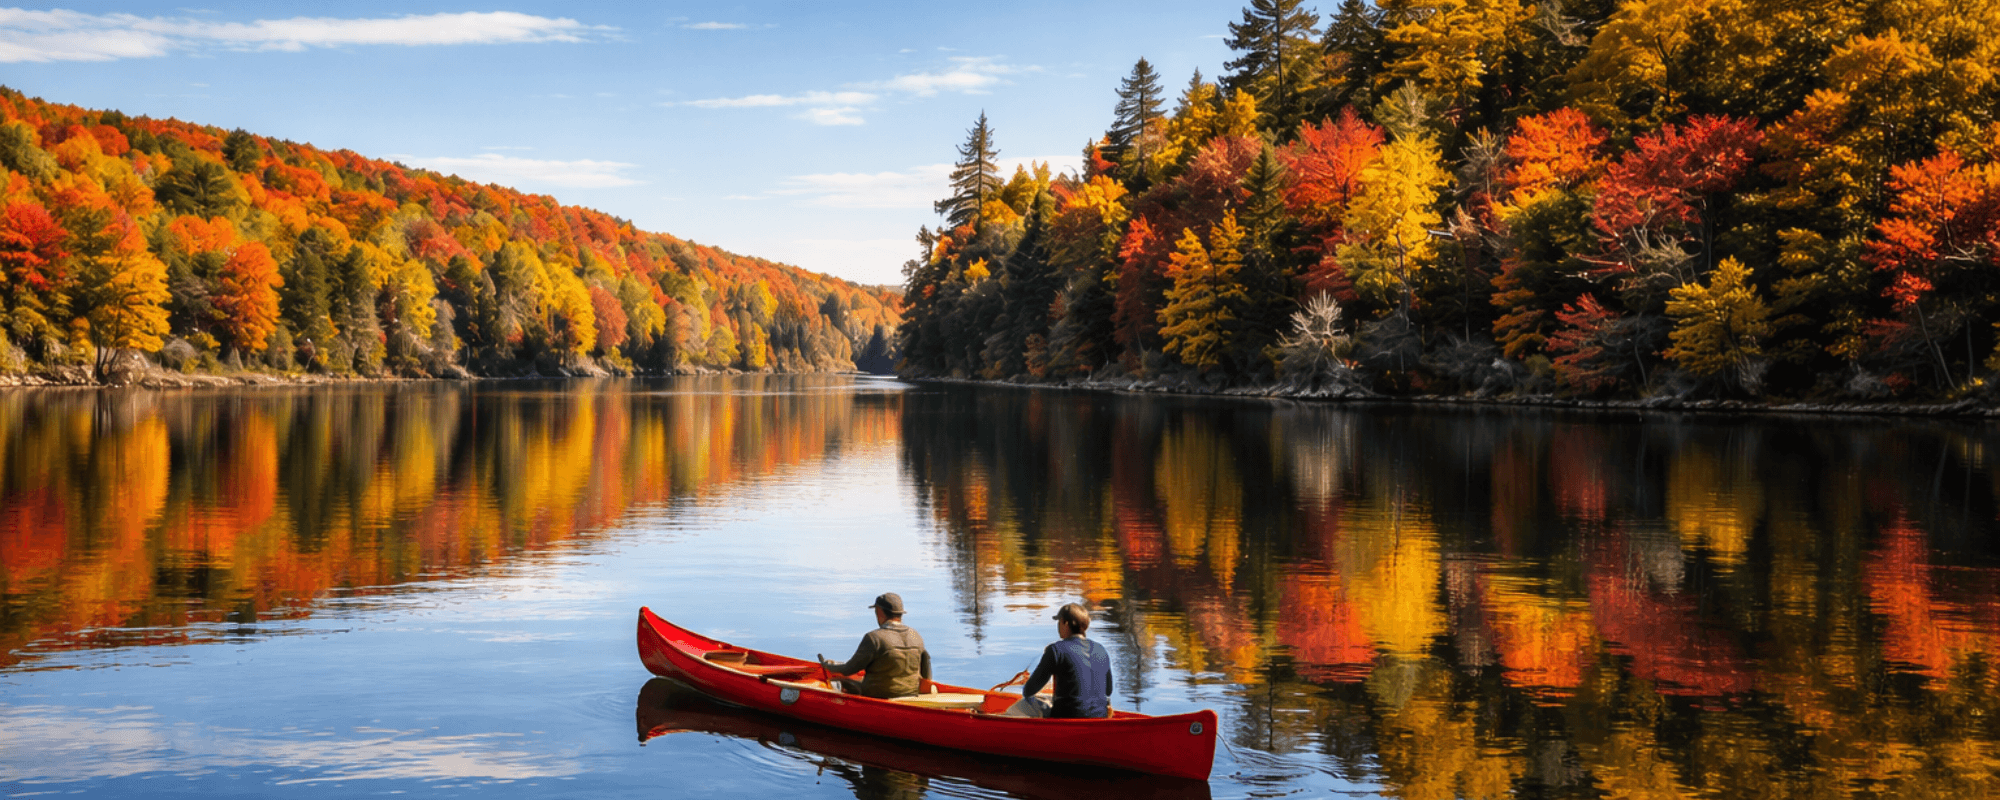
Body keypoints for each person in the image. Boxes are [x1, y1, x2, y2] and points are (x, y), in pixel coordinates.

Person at [1003, 602, 1113, 718]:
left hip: (1066, 717)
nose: (1058, 626)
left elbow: (1029, 691)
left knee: (1025, 703)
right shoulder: (1101, 650)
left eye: (1058, 621)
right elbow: (1108, 691)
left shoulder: (1056, 650)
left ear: (1065, 623)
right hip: (1100, 717)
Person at [821, 593, 931, 699]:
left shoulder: (874, 638)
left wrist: (827, 666)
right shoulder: (916, 635)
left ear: (879, 612)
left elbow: (848, 669)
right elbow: (926, 668)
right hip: (911, 693)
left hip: (877, 694)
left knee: (839, 681)